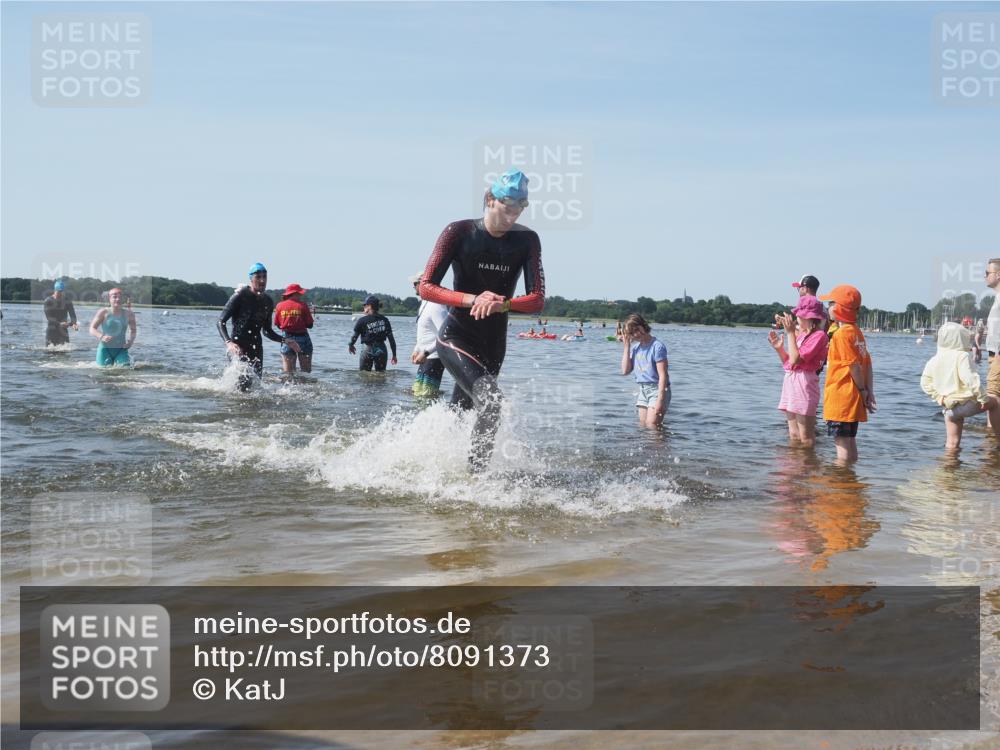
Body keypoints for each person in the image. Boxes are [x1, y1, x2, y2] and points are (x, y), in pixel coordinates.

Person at [418, 168, 545, 471]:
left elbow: (538, 300)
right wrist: (472, 299)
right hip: (456, 337)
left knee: (462, 409)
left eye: (520, 208)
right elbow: (426, 286)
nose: (513, 215)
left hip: (493, 343)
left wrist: (505, 304)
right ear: (490, 199)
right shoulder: (458, 232)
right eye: (508, 206)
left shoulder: (527, 240)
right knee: (493, 404)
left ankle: (437, 466)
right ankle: (477, 480)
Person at [217, 262, 299, 391]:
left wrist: (285, 340)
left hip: (256, 348)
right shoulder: (240, 296)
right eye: (258, 277)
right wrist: (229, 343)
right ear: (251, 279)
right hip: (238, 347)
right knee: (241, 385)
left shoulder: (267, 301)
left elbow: (267, 331)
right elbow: (220, 321)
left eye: (264, 277)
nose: (262, 280)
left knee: (255, 385)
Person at [920, 322, 1000, 450]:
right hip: (965, 404)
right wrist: (983, 398)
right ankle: (996, 440)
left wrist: (940, 398)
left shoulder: (934, 359)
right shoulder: (961, 356)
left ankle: (948, 467)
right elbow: (971, 379)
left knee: (952, 444)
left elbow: (924, 383)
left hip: (948, 408)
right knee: (996, 402)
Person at [818, 285, 875, 463]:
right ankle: (850, 484)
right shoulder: (856, 332)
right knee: (850, 442)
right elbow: (867, 364)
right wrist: (867, 390)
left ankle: (840, 487)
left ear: (838, 308)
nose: (827, 307)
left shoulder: (841, 335)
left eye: (830, 303)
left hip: (840, 399)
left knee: (842, 450)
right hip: (854, 398)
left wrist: (864, 390)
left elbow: (854, 366)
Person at [767, 296, 829, 447]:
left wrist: (789, 333)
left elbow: (796, 360)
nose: (796, 318)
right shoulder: (801, 335)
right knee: (793, 434)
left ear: (808, 317)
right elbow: (789, 363)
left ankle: (807, 467)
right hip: (791, 381)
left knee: (805, 436)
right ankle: (794, 466)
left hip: (804, 384)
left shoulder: (819, 336)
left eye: (798, 315)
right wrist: (779, 349)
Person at [620, 313, 670, 427]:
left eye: (637, 329)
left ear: (643, 325)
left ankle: (662, 444)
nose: (636, 334)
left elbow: (663, 376)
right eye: (632, 333)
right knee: (643, 427)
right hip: (643, 390)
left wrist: (660, 401)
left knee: (652, 426)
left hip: (657, 390)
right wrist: (626, 346)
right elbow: (625, 371)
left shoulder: (657, 347)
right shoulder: (636, 348)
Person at [409, 273, 448, 397]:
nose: (413, 286)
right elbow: (424, 332)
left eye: (415, 283)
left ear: (424, 284)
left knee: (426, 396)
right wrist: (416, 349)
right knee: (417, 393)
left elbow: (445, 335)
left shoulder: (437, 306)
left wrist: (426, 352)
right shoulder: (424, 304)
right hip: (425, 357)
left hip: (434, 358)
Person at [273, 283, 314, 374]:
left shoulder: (279, 306)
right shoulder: (303, 306)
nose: (300, 295)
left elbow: (278, 324)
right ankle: (304, 387)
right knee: (306, 373)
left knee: (288, 374)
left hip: (287, 338)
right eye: (299, 294)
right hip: (303, 338)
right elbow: (310, 325)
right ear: (295, 293)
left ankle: (288, 388)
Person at [89, 287, 136, 366]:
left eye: (120, 297)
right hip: (105, 349)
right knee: (102, 373)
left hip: (122, 349)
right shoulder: (103, 312)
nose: (118, 299)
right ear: (109, 298)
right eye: (115, 297)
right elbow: (92, 328)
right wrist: (101, 336)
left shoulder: (129, 314)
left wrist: (130, 342)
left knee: (125, 371)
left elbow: (133, 330)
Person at [349, 295, 397, 371]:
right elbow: (391, 339)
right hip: (381, 350)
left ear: (370, 306)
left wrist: (351, 345)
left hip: (367, 349)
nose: (363, 308)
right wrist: (394, 355)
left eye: (364, 305)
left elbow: (355, 336)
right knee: (381, 375)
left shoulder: (362, 320)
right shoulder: (385, 320)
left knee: (364, 375)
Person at [984, 258, 1000, 427]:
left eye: (987, 273)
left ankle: (992, 438)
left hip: (998, 356)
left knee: (994, 396)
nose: (985, 276)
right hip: (994, 354)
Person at [43, 280, 78, 346]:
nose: (60, 293)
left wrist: (74, 323)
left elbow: (72, 314)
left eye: (62, 291)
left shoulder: (67, 301)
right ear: (55, 290)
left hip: (63, 331)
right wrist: (59, 323)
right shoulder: (48, 301)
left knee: (65, 352)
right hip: (51, 330)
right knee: (50, 353)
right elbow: (49, 318)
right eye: (59, 291)